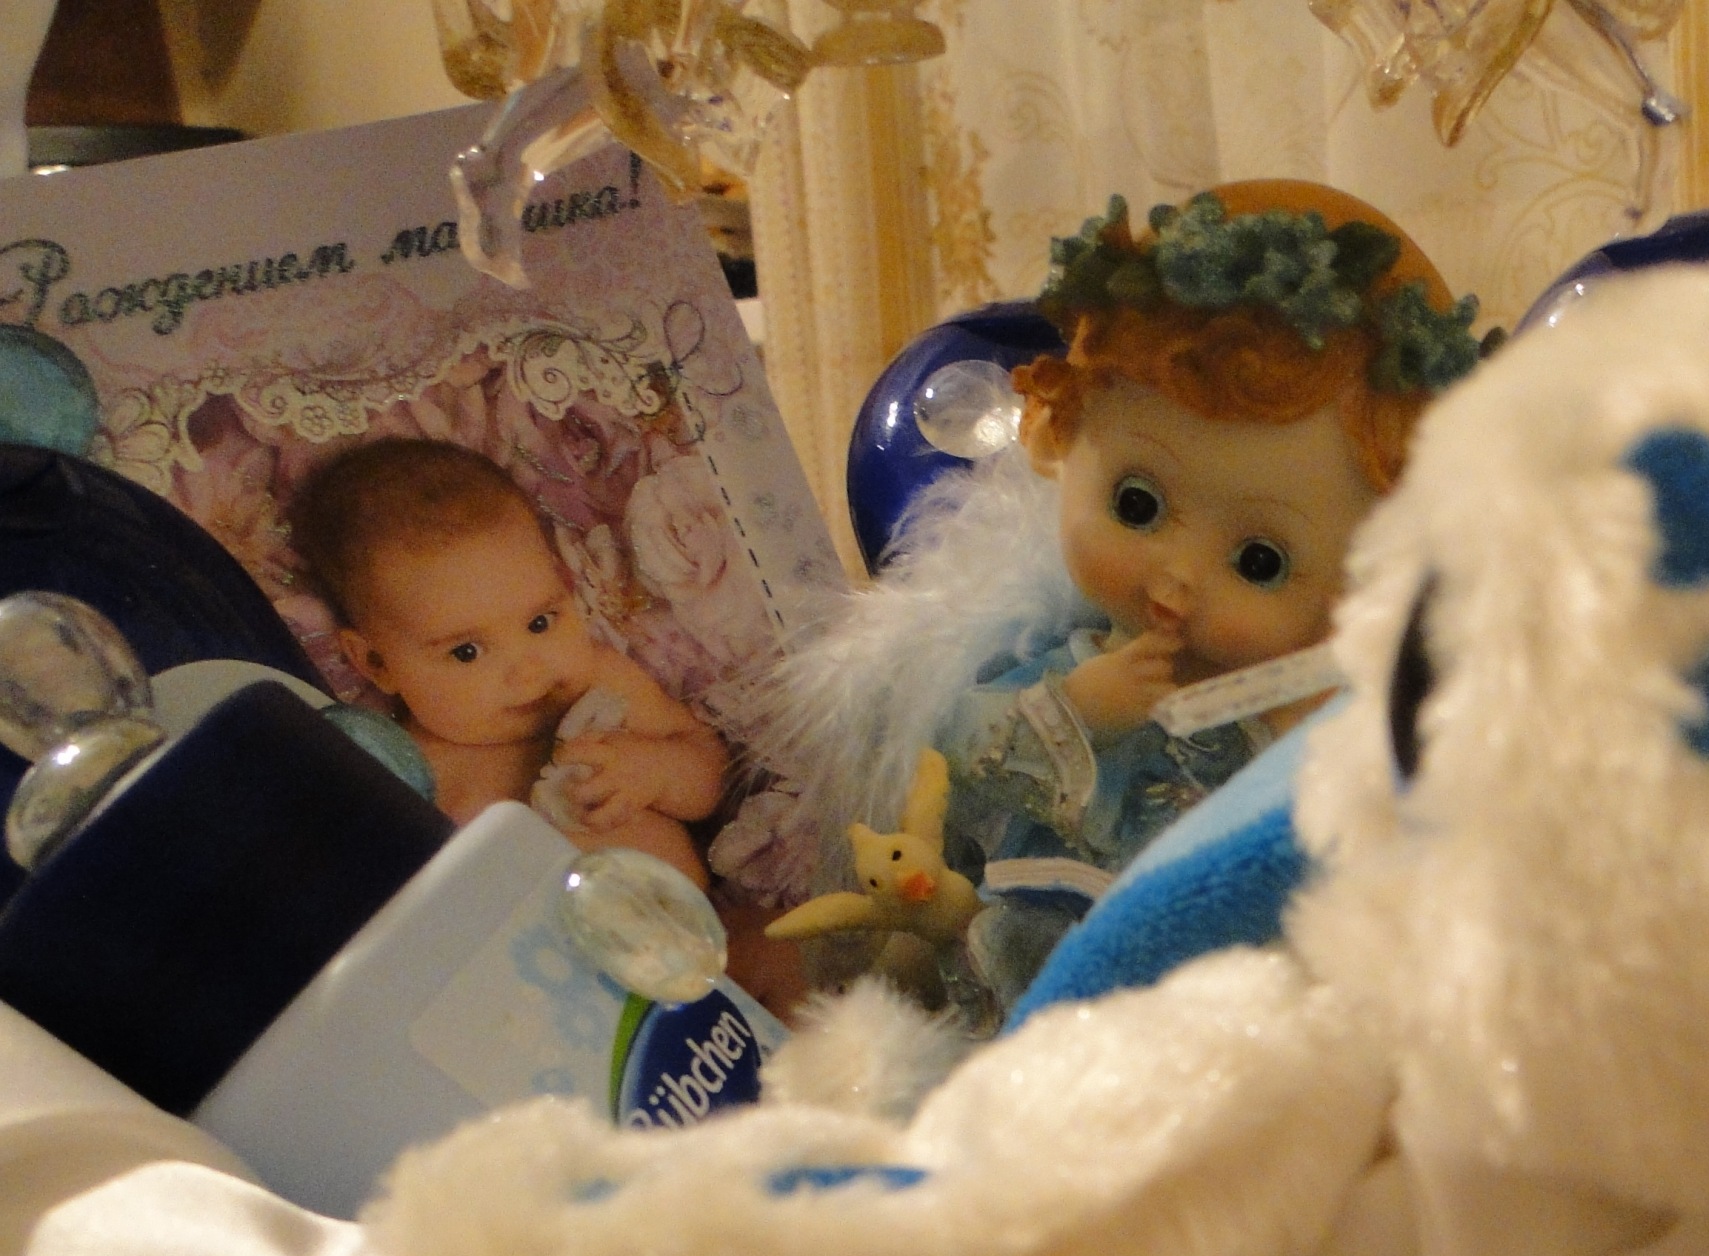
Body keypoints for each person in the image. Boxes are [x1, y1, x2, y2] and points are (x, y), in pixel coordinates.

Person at [750, 181, 1489, 1007]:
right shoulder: (1068, 655)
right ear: (1054, 434)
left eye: (1260, 561)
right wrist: (1078, 709)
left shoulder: (1331, 709)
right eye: (1137, 505)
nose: (1176, 576)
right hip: (1047, 951)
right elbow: (958, 747)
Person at [294, 438, 730, 885]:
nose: (528, 672)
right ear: (376, 663)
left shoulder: (603, 683)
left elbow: (711, 774)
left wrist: (655, 771)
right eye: (466, 652)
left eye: (540, 622)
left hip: (675, 919)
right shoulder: (412, 771)